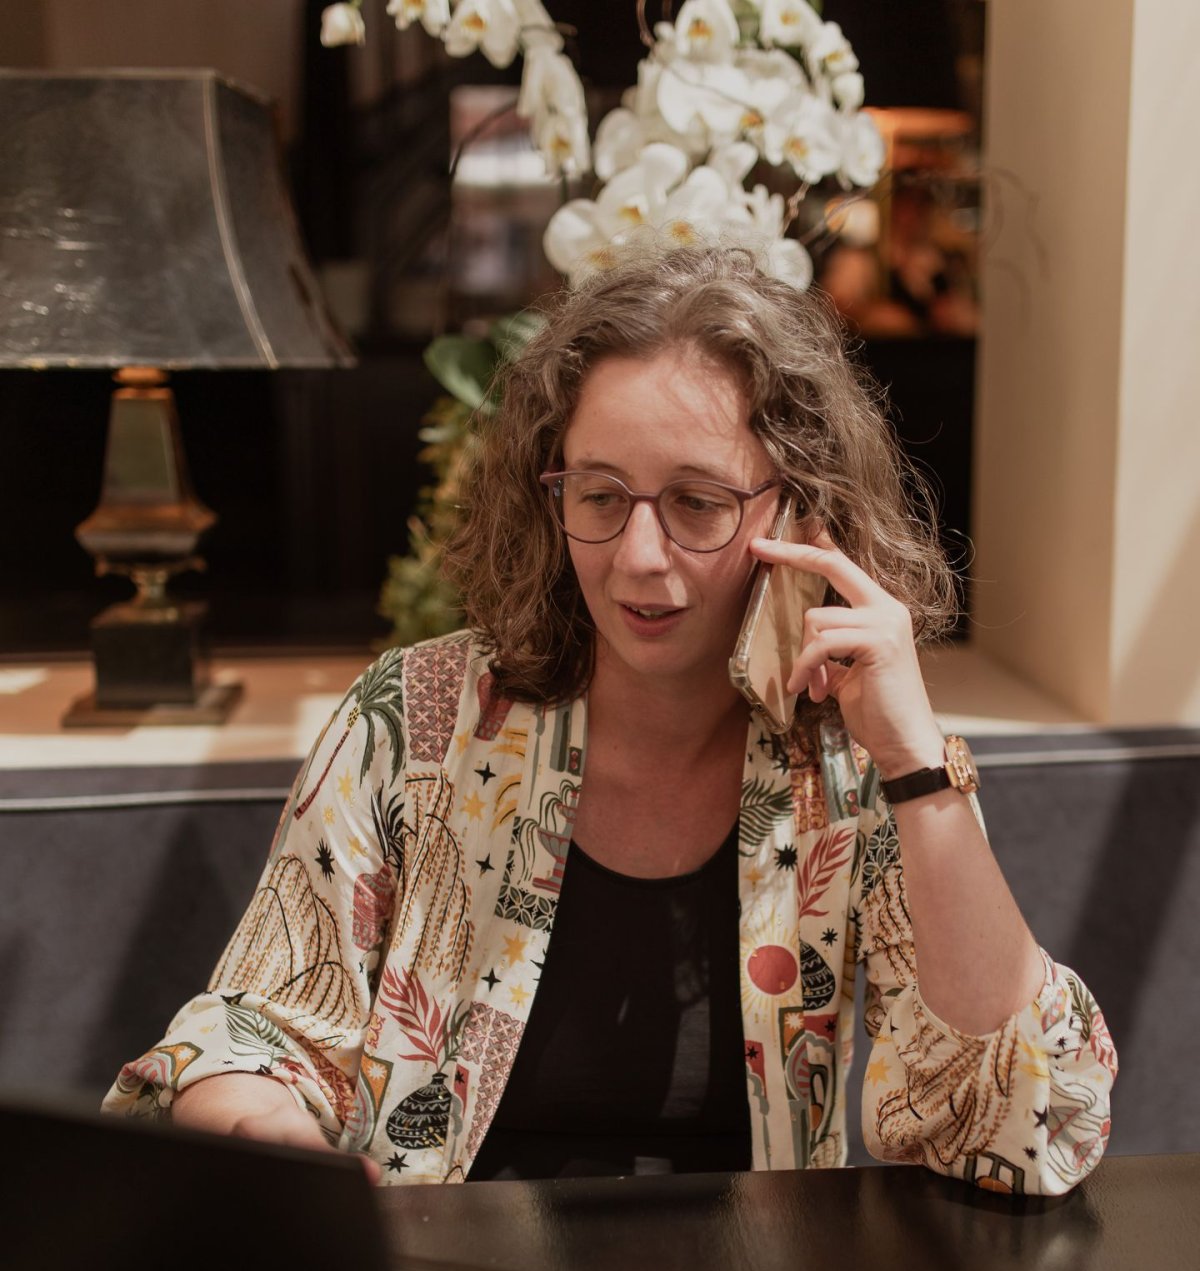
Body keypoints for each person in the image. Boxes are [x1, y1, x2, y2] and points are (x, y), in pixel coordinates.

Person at [105, 242, 1115, 1194]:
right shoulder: (417, 721)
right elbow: (255, 1029)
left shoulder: (852, 762)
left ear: (800, 510)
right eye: (600, 494)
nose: (637, 556)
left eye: (696, 502)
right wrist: (263, 1122)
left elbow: (1027, 1131)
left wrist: (912, 760)